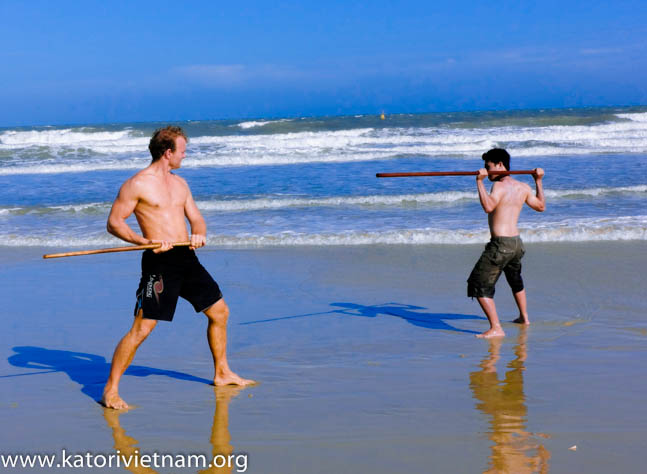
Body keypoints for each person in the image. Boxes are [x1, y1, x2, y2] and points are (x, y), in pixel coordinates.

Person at [101, 126, 254, 410]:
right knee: (143, 328)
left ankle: (222, 372)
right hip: (159, 263)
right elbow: (114, 223)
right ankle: (111, 390)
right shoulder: (137, 184)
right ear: (168, 152)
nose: (185, 155)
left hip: (187, 258)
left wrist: (198, 233)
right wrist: (144, 240)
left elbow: (196, 218)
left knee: (219, 312)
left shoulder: (181, 184)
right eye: (182, 150)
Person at [467, 148, 545, 338]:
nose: (487, 170)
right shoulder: (523, 186)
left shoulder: (499, 187)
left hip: (500, 245)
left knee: (477, 284)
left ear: (500, 165)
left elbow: (488, 206)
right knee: (515, 280)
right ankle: (524, 318)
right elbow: (541, 206)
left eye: (489, 167)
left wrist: (479, 182)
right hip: (516, 244)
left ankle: (496, 328)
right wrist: (538, 181)